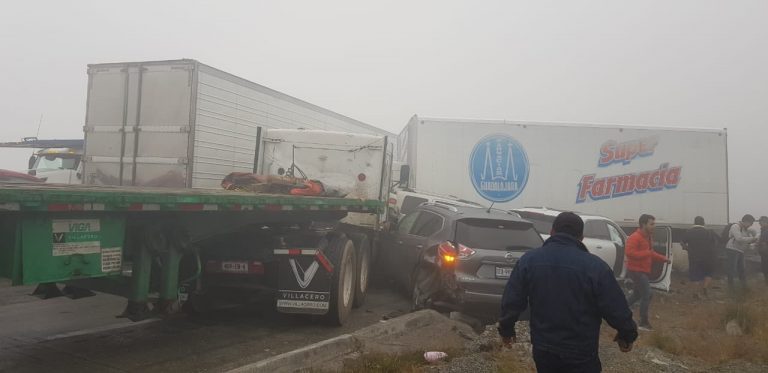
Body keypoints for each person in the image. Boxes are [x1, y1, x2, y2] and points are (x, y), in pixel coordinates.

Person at [498, 212, 637, 373]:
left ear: (552, 232)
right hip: (581, 352)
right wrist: (627, 334)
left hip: (544, 349)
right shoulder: (596, 267)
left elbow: (512, 300)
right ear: (581, 237)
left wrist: (506, 329)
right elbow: (615, 307)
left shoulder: (529, 261)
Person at [625, 214, 670, 331]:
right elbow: (629, 253)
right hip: (636, 271)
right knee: (647, 294)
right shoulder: (635, 237)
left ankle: (619, 309)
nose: (653, 226)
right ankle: (643, 323)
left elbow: (650, 252)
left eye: (654, 224)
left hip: (643, 270)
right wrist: (647, 253)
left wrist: (664, 258)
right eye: (651, 224)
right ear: (643, 224)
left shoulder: (648, 237)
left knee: (637, 294)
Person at [682, 216, 719, 299]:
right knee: (709, 273)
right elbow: (716, 242)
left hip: (694, 257)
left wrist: (687, 249)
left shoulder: (689, 232)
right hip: (709, 257)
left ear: (694, 223)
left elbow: (682, 242)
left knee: (695, 275)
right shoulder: (709, 232)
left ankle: (696, 293)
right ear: (703, 223)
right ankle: (705, 287)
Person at [725, 214, 759, 292]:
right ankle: (731, 287)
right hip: (732, 249)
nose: (751, 225)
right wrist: (752, 239)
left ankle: (743, 286)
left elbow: (754, 235)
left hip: (740, 250)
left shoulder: (745, 228)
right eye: (750, 223)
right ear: (746, 221)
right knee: (732, 268)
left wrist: (754, 235)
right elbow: (739, 238)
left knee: (742, 269)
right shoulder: (735, 226)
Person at [758, 216, 768, 285]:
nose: (759, 223)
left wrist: (762, 243)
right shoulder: (763, 229)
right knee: (764, 266)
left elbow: (764, 241)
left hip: (766, 251)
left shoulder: (766, 230)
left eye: (761, 222)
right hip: (763, 251)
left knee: (765, 266)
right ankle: (766, 281)